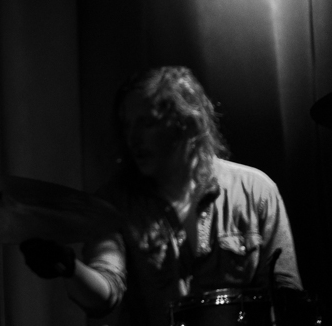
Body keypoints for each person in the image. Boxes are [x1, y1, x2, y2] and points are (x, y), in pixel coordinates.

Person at [20, 66, 305, 326]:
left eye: (146, 123)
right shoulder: (115, 202)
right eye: (127, 125)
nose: (133, 138)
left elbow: (287, 293)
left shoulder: (256, 190)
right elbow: (105, 293)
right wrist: (70, 268)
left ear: (188, 123)